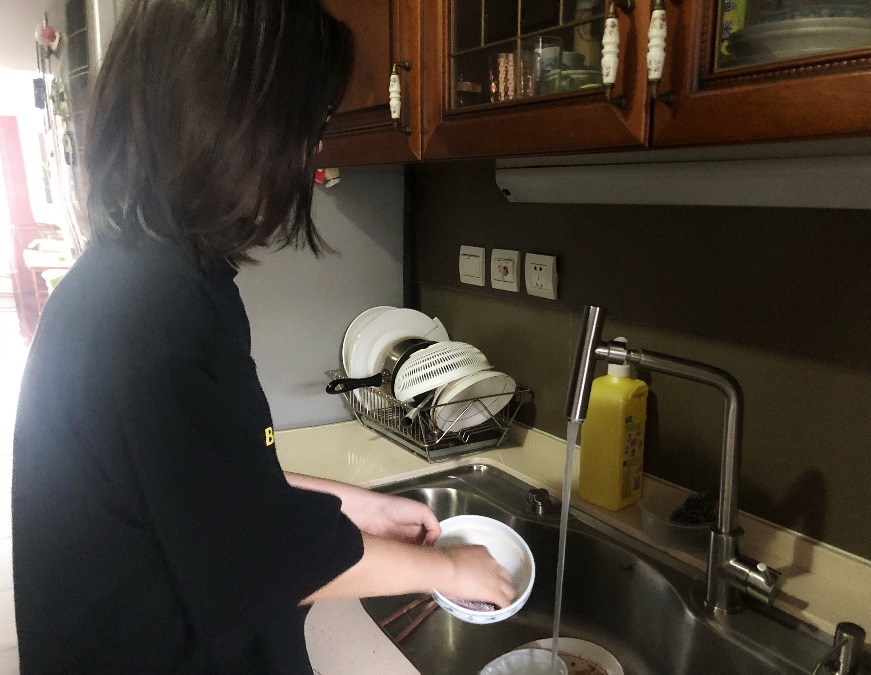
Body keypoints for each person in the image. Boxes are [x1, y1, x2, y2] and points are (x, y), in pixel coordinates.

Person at [11, 1, 515, 672]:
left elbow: (213, 481)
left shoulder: (139, 274)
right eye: (308, 126)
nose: (311, 150)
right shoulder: (157, 314)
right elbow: (258, 557)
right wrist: (449, 568)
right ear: (237, 121)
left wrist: (355, 505)